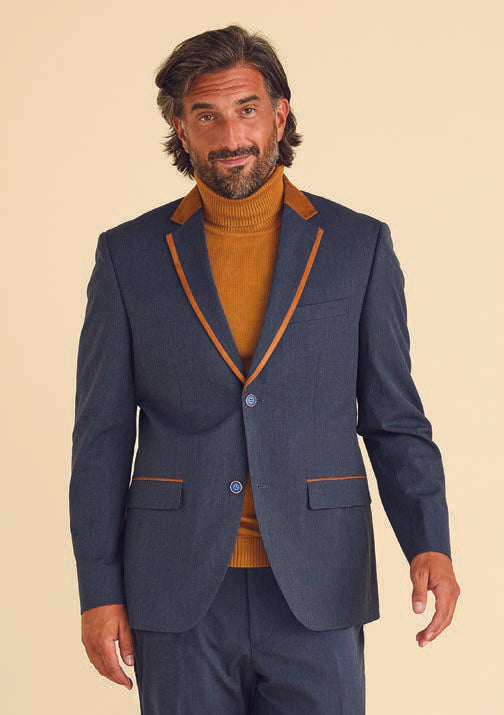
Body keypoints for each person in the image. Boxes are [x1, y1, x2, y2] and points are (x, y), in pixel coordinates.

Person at [69, 24, 460, 714]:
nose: (231, 135)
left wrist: (429, 540)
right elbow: (101, 438)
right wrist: (99, 591)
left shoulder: (357, 246)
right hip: (177, 587)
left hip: (318, 579)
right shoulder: (129, 256)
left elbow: (394, 416)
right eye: (207, 115)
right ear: (180, 127)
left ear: (280, 114)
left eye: (246, 109)